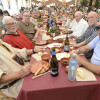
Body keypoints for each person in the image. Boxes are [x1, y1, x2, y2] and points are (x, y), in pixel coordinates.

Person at [0, 25, 44, 98]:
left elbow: (18, 52)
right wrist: (20, 73)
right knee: (42, 88)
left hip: (24, 70)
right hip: (14, 84)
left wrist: (34, 50)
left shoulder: (2, 43)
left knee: (45, 69)